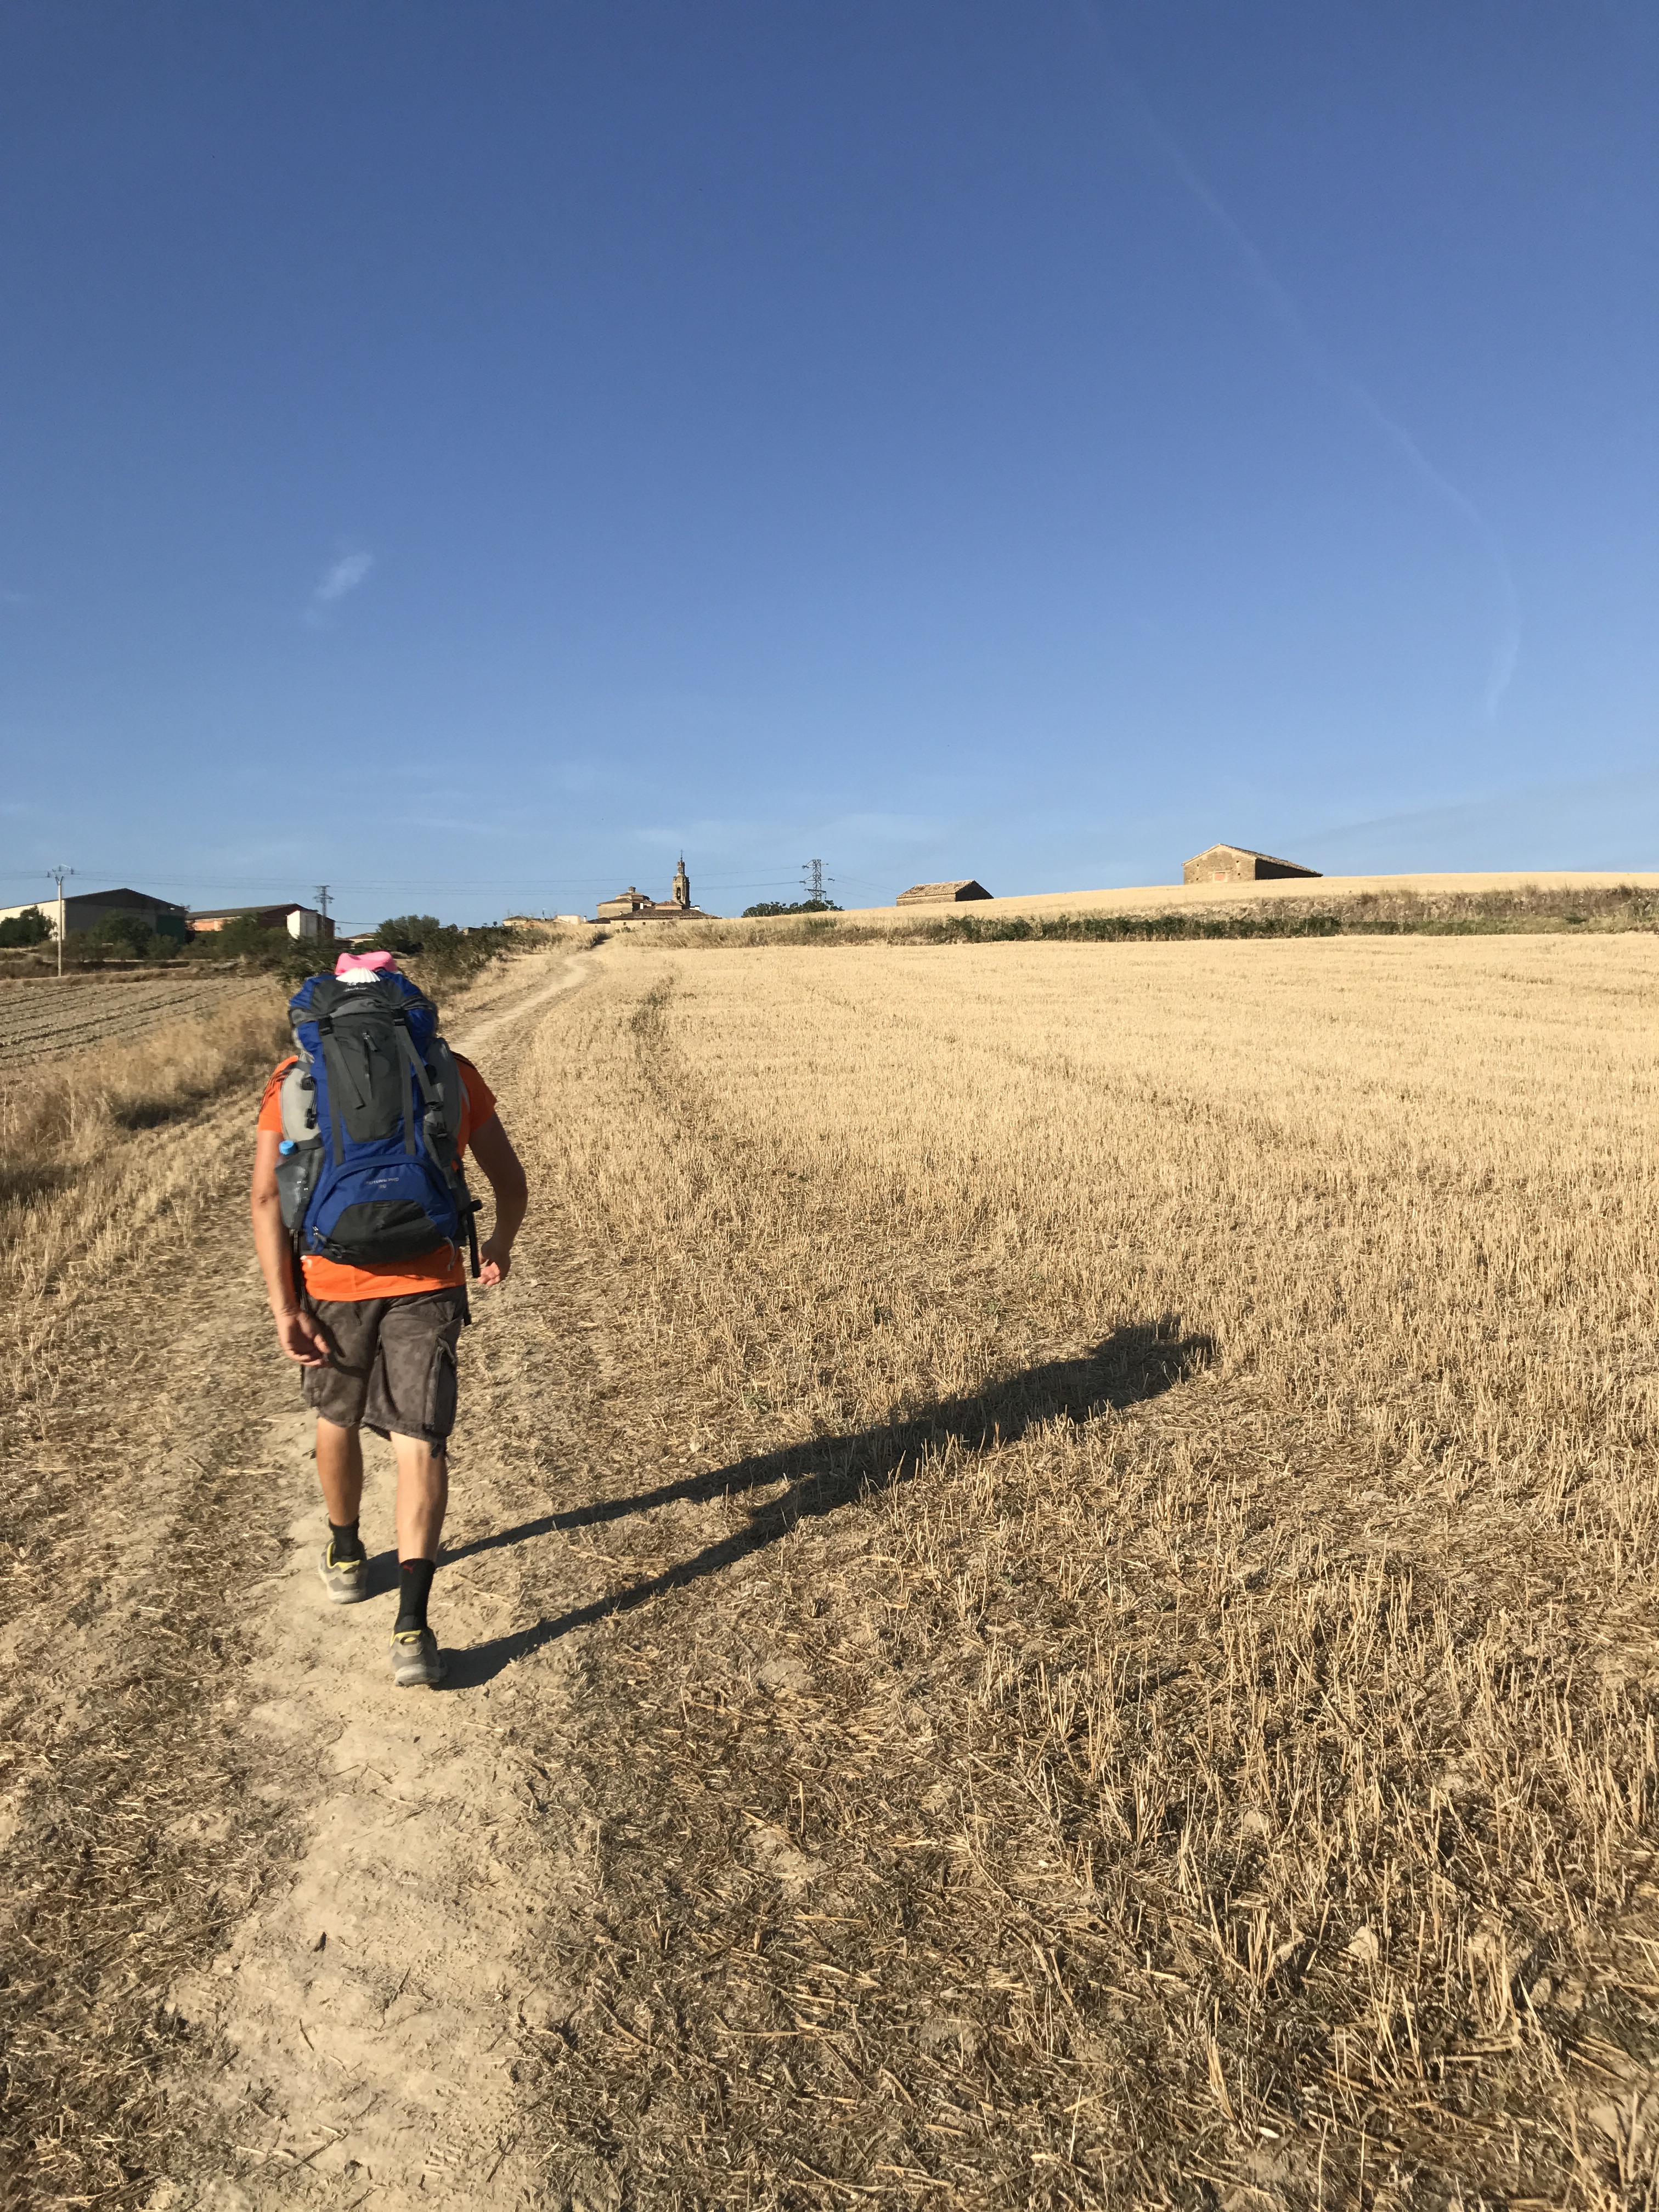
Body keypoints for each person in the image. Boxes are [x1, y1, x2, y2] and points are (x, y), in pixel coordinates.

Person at [249, 948, 528, 1688]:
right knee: (419, 1441)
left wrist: (285, 1306)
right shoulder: (451, 1071)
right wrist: (497, 1244)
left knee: (336, 1417)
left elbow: (267, 1198)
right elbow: (510, 1181)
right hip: (427, 1275)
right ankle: (412, 1629)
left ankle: (346, 1556)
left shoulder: (294, 1077)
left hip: (329, 1277)